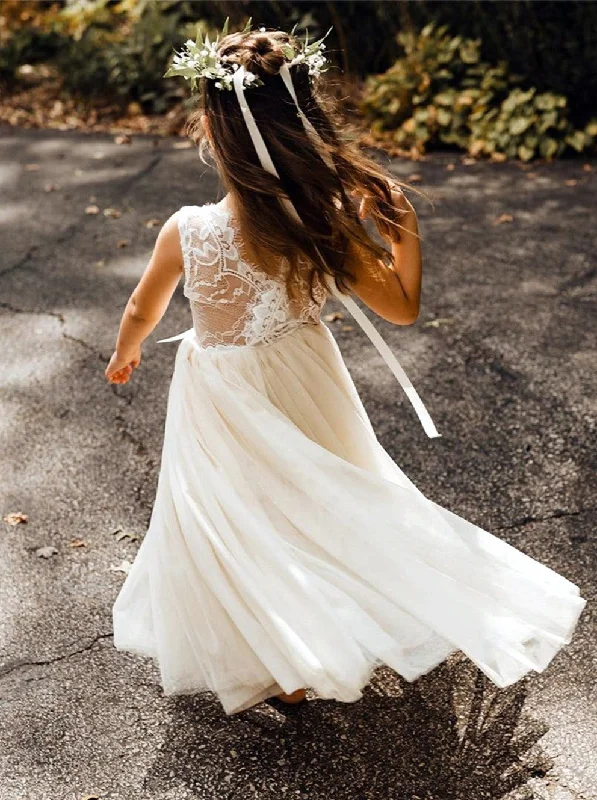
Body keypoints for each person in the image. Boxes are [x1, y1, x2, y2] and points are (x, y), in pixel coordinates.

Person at [105, 24, 586, 716]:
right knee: (314, 505)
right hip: (304, 382)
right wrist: (403, 232)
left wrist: (127, 349)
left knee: (234, 514)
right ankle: (310, 638)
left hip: (218, 392)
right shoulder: (320, 221)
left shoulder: (185, 229)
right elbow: (400, 309)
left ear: (214, 129)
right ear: (303, 123)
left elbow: (141, 304)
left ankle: (284, 660)